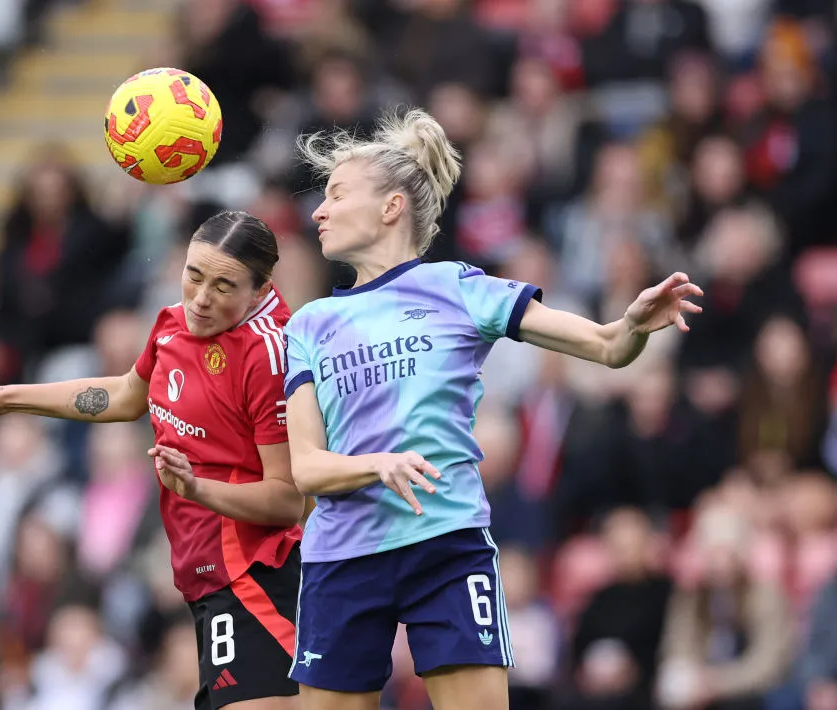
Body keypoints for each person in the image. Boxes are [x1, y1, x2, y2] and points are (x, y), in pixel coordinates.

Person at [282, 109, 703, 710]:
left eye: (337, 194)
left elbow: (608, 347)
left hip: (445, 545)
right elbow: (306, 468)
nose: (318, 212)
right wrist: (378, 464)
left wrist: (632, 325)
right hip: (342, 557)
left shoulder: (458, 287)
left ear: (391, 207)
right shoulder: (308, 325)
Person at [0, 211, 304, 710]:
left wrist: (197, 489)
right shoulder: (173, 325)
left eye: (224, 286)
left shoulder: (268, 354)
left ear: (259, 291)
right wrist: (2, 397)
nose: (200, 298)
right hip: (204, 571)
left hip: (254, 573)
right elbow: (126, 395)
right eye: (194, 275)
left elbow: (287, 500)